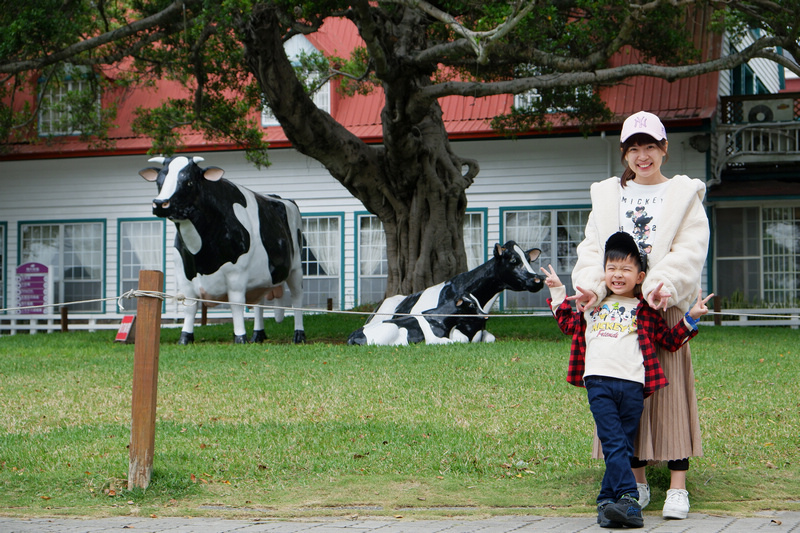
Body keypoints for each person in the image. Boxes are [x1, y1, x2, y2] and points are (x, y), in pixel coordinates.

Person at [571, 110, 711, 519]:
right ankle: (636, 484)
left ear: (664, 149)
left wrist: (659, 285)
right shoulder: (608, 195)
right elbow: (593, 249)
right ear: (624, 154)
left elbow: (689, 251)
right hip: (615, 314)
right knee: (623, 398)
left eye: (650, 146)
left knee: (669, 398)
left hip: (660, 307)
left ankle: (678, 488)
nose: (642, 155)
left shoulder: (683, 196)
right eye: (634, 148)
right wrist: (591, 285)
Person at [541, 231, 712, 529]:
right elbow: (567, 324)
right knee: (613, 441)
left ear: (640, 276)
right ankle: (630, 499)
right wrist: (558, 291)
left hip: (634, 386)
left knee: (621, 444)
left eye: (625, 269)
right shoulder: (592, 304)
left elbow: (669, 341)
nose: (617, 275)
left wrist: (691, 318)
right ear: (603, 272)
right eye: (611, 268)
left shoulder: (645, 310)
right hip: (599, 384)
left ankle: (607, 503)